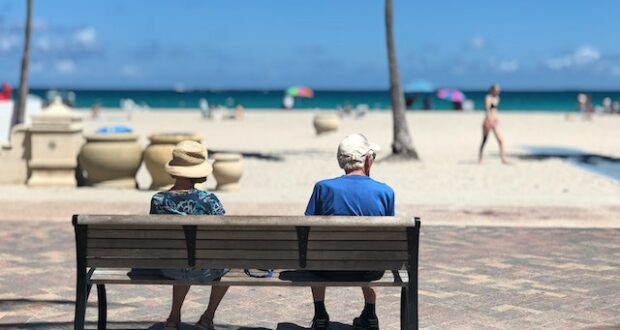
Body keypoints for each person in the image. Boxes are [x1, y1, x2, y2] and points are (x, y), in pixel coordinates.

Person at [304, 133, 395, 330]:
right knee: (370, 248)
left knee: (316, 251)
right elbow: (388, 238)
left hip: (326, 269)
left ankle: (320, 313)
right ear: (368, 160)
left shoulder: (323, 188)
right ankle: (370, 313)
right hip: (369, 270)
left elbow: (308, 230)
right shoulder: (385, 192)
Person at [149, 140, 229, 330]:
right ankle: (208, 316)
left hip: (169, 267)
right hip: (205, 268)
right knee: (228, 263)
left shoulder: (158, 200)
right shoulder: (209, 200)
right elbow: (223, 234)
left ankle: (173, 318)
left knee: (182, 255)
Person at [478, 84, 509, 164]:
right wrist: (489, 119)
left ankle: (503, 159)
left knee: (500, 141)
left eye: (499, 90)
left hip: (494, 121)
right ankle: (480, 158)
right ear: (492, 90)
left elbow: (495, 110)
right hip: (488, 121)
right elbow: (487, 109)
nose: (498, 91)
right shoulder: (488, 97)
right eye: (496, 90)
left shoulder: (497, 98)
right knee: (484, 140)